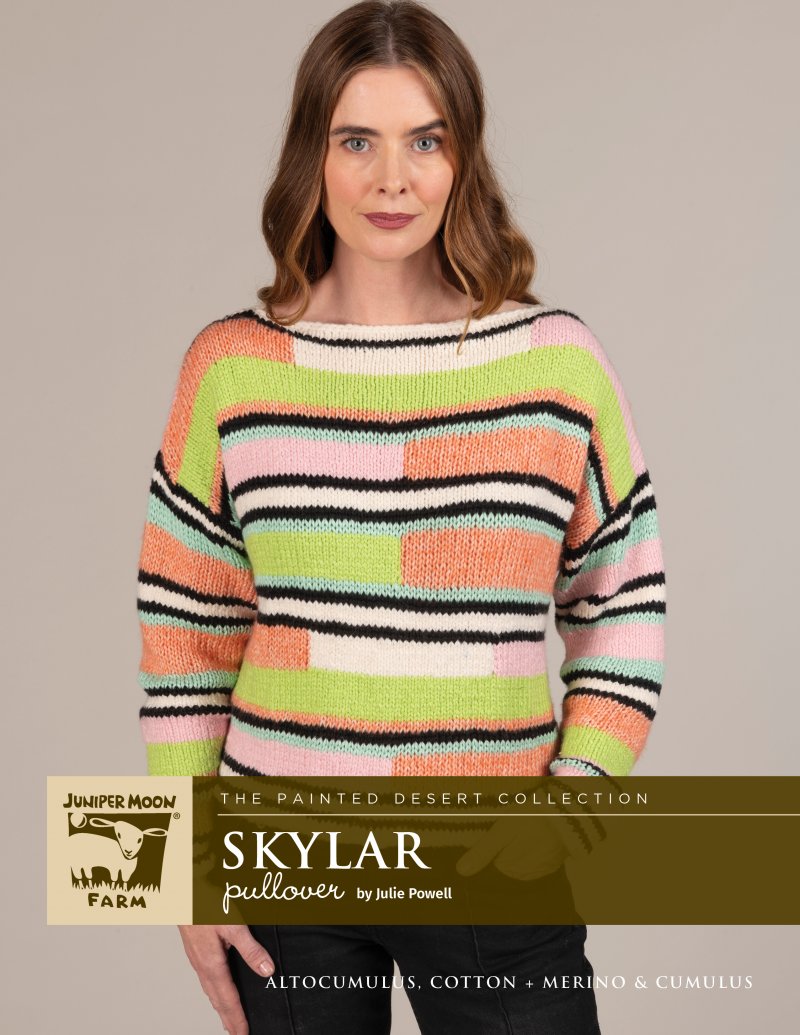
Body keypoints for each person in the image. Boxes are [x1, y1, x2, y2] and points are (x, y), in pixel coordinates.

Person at [135, 2, 666, 1032]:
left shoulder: (554, 365)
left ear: (463, 158)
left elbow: (623, 602)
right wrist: (180, 872)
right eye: (356, 141)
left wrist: (573, 803)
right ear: (312, 156)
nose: (392, 178)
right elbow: (184, 638)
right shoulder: (231, 369)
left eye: (425, 140)